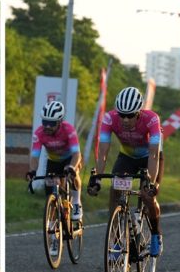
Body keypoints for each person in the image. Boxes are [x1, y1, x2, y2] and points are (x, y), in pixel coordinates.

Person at [88, 87, 165, 256]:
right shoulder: (109, 118)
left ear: (138, 113)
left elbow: (153, 155)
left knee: (147, 195)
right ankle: (116, 241)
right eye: (121, 114)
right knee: (115, 193)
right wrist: (97, 178)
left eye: (130, 115)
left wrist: (150, 182)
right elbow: (102, 153)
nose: (125, 119)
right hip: (127, 157)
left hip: (150, 157)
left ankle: (155, 234)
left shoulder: (151, 119)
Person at [28, 101, 84, 221]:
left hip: (70, 158)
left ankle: (76, 202)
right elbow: (35, 156)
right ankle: (53, 231)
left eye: (51, 123)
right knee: (50, 193)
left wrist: (72, 168)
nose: (47, 126)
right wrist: (32, 171)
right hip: (53, 161)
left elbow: (76, 153)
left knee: (73, 175)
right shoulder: (39, 133)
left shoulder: (68, 129)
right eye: (45, 122)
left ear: (59, 122)